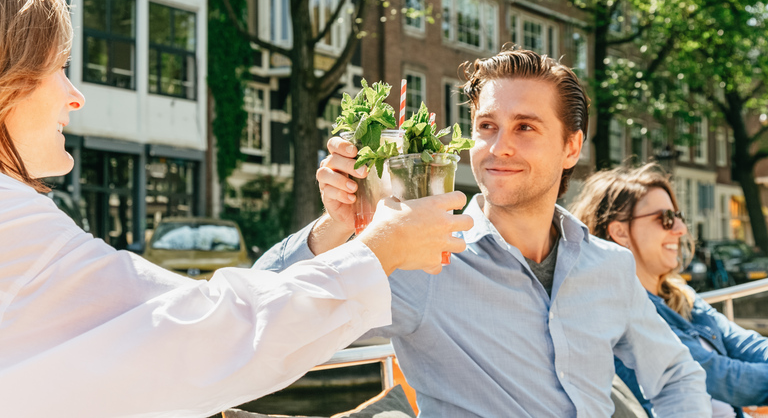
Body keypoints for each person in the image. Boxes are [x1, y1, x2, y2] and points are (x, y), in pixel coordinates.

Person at [0, 0, 473, 417]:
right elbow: (202, 337)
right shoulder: (15, 226)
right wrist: (382, 248)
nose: (76, 95)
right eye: (58, 67)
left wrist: (334, 230)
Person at [255, 47, 711, 417]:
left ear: (572, 146)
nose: (499, 147)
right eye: (486, 126)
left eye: (525, 127)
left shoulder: (610, 266)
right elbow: (262, 315)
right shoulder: (420, 257)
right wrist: (334, 224)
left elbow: (676, 376)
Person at [570, 163, 768, 418]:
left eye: (678, 216)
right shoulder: (614, 312)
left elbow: (748, 344)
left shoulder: (681, 296)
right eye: (665, 219)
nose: (681, 229)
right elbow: (724, 377)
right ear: (619, 231)